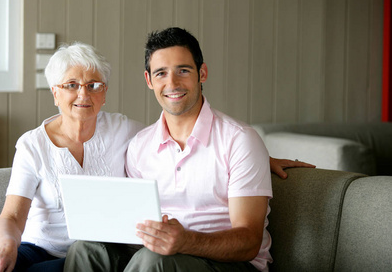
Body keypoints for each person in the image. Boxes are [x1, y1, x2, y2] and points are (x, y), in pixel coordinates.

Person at [63, 27, 314, 271]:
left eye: (183, 70)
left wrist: (186, 241)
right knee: (87, 249)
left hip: (231, 264)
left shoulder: (240, 140)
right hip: (158, 256)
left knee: (154, 262)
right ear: (149, 80)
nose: (172, 83)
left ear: (202, 73)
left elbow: (249, 242)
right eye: (161, 73)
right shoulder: (140, 145)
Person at [0, 42, 145, 272]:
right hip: (38, 247)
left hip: (97, 254)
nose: (83, 94)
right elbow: (12, 216)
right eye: (71, 85)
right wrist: (6, 245)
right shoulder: (32, 144)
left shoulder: (124, 130)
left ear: (104, 93)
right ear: (55, 93)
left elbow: (166, 137)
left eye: (93, 85)